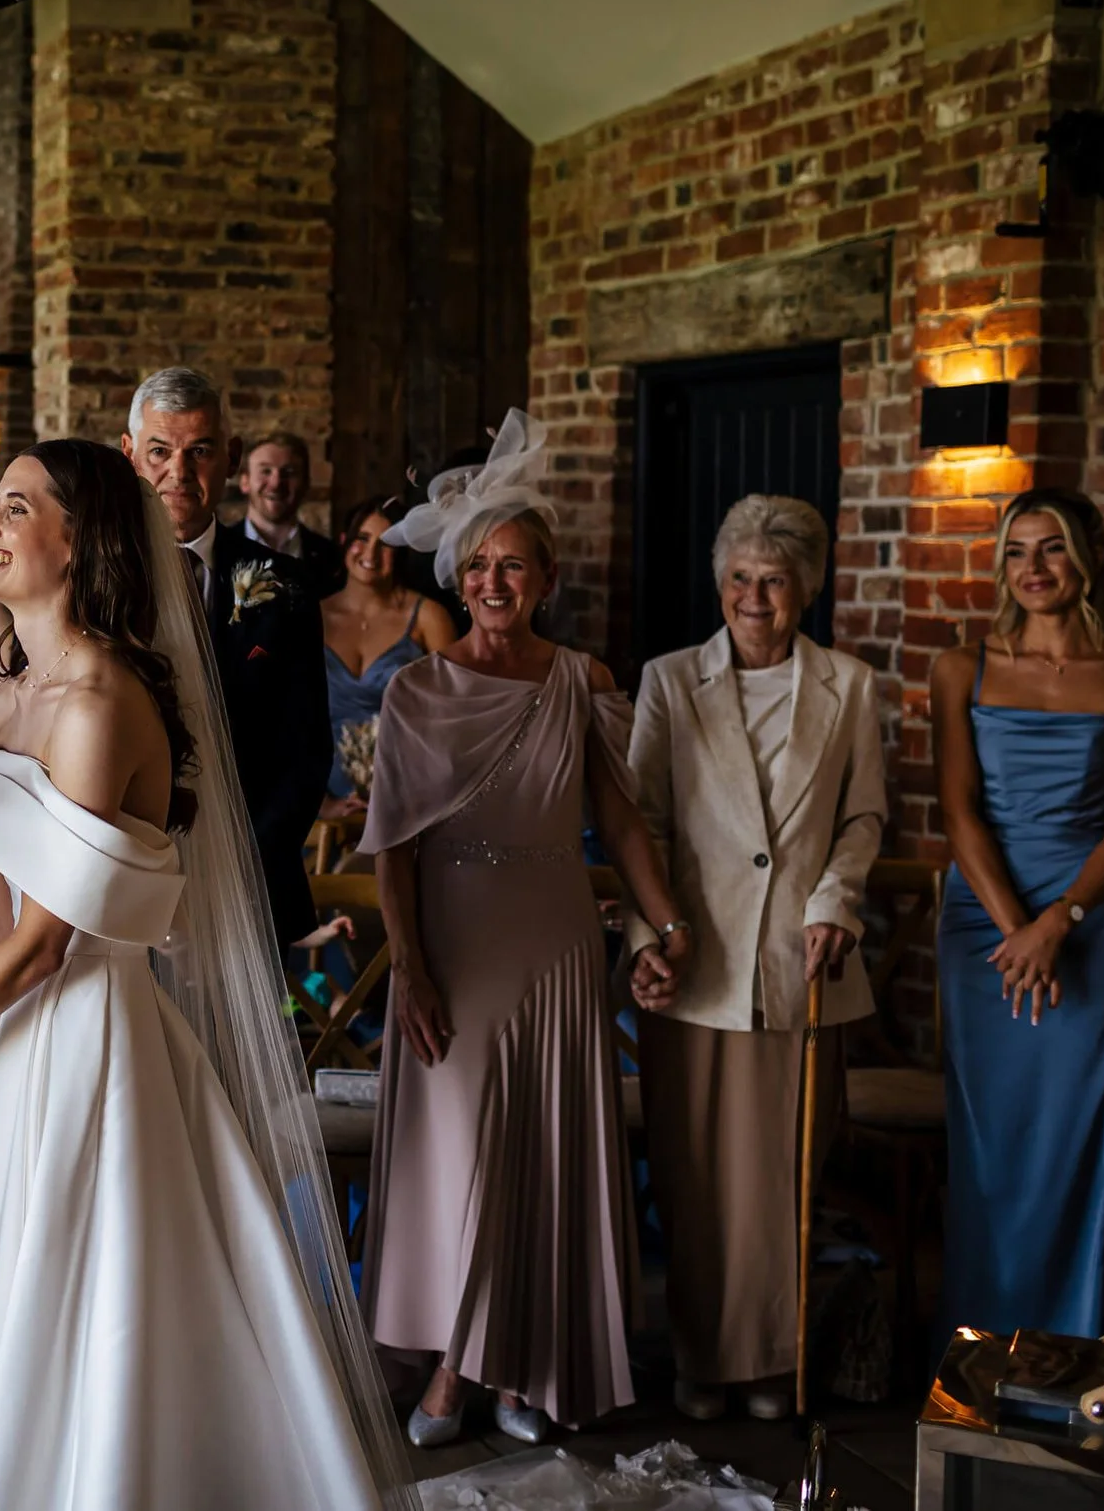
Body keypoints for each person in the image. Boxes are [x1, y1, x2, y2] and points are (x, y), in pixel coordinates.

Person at [0, 439, 416, 1509]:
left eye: (16, 508)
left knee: (94, 1317)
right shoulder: (10, 669)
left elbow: (38, 943)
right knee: (3, 1306)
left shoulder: (98, 705)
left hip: (91, 1048)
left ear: (80, 542)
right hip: (13, 1046)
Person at [360, 410, 689, 1444]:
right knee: (464, 1159)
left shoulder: (577, 681)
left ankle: (518, 1373)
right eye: (479, 566)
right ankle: (454, 1370)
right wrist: (408, 968)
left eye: (515, 565)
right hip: (455, 945)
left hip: (552, 940)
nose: (495, 582)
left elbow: (622, 819)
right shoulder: (415, 692)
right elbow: (391, 851)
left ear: (546, 577)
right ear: (457, 580)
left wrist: (666, 925)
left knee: (538, 1159)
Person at [627, 494, 887, 1422]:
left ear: (805, 589)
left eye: (774, 581)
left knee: (784, 1174)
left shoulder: (849, 686)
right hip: (696, 959)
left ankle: (776, 1361)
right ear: (719, 583)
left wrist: (835, 902)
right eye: (739, 578)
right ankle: (703, 1357)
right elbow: (641, 824)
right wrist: (643, 936)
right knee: (695, 1175)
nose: (754, 597)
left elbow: (862, 817)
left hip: (802, 965)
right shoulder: (668, 681)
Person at [931, 488, 1104, 1339]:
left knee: (1081, 1136)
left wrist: (1058, 922)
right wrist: (1016, 932)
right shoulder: (962, 666)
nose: (1032, 569)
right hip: (985, 932)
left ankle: (1076, 1358)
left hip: (1088, 923)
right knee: (993, 1148)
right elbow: (959, 813)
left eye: (1052, 549)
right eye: (1016, 552)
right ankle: (981, 1360)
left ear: (1091, 559)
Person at [121, 368, 328, 945]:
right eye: (160, 451)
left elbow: (306, 749)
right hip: (122, 880)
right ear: (129, 453)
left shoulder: (283, 586)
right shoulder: (94, 581)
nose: (178, 473)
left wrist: (241, 867)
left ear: (231, 457)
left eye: (200, 452)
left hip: (250, 880)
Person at [319, 496, 454, 815]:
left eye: (387, 543)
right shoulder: (312, 617)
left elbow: (451, 719)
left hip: (408, 795)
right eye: (362, 539)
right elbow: (288, 719)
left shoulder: (428, 618)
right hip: (321, 798)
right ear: (344, 541)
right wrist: (320, 804)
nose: (371, 553)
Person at [239, 430, 343, 597]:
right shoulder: (217, 552)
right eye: (266, 471)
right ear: (245, 482)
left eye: (289, 472)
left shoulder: (331, 558)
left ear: (306, 483)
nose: (276, 483)